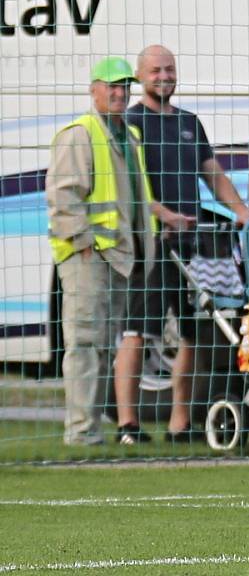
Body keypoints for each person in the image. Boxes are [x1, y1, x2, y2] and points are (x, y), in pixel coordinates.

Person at [113, 45, 249, 444]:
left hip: (192, 250)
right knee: (138, 332)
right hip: (151, 248)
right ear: (141, 76)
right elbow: (131, 189)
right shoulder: (130, 124)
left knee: (191, 333)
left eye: (170, 69)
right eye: (155, 70)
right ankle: (128, 425)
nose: (164, 76)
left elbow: (213, 174)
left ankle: (180, 424)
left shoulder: (190, 123)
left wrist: (245, 214)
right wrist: (164, 215)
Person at [46, 57, 159, 445]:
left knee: (101, 346)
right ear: (93, 89)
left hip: (119, 260)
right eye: (111, 86)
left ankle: (89, 432)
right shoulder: (80, 134)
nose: (118, 93)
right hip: (89, 260)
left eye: (124, 86)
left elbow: (136, 204)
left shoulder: (128, 137)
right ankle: (81, 435)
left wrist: (145, 250)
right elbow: (63, 199)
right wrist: (84, 245)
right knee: (84, 344)